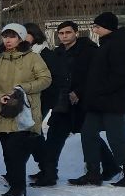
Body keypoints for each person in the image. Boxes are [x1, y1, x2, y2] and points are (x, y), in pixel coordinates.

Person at [33, 21, 108, 187]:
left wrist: (79, 91)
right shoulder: (57, 53)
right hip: (62, 101)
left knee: (89, 136)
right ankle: (49, 173)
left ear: (76, 32)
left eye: (68, 32)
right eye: (61, 33)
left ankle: (108, 167)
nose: (64, 36)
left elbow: (94, 75)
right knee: (54, 136)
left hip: (83, 102)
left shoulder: (89, 50)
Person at [0, 24, 52, 196]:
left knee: (16, 152)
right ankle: (15, 185)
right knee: (8, 151)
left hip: (25, 111)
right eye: (5, 36)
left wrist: (24, 88)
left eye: (12, 36)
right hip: (4, 110)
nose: (8, 40)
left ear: (21, 38)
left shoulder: (33, 58)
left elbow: (46, 79)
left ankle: (18, 188)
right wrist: (0, 96)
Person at [73, 11, 125, 186]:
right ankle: (93, 173)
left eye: (97, 26)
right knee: (88, 133)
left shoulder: (119, 45)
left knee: (117, 137)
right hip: (97, 102)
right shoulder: (106, 44)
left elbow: (121, 76)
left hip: (113, 102)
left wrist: (98, 91)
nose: (94, 30)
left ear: (108, 27)